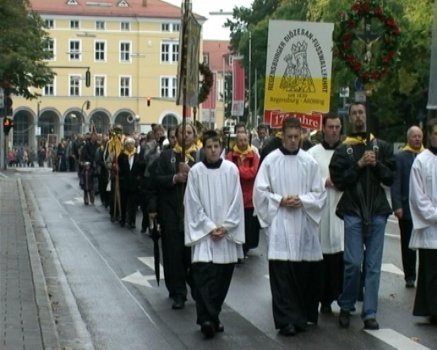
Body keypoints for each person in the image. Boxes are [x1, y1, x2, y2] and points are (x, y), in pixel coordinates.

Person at [253, 117, 326, 336]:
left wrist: (302, 200)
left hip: (302, 223)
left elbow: (319, 194)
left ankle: (300, 317)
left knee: (302, 274)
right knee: (282, 277)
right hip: (281, 224)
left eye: (297, 137)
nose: (294, 141)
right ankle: (286, 320)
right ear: (282, 136)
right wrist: (279, 200)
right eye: (290, 137)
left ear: (302, 135)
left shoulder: (309, 162)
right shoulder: (271, 161)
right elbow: (260, 192)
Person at [329, 102, 395, 330]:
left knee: (373, 266)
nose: (358, 117)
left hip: (377, 211)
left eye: (361, 113)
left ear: (366, 116)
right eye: (354, 113)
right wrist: (358, 165)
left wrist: (375, 164)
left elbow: (390, 177)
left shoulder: (381, 146)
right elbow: (339, 181)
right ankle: (346, 305)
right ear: (349, 117)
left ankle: (370, 312)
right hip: (353, 211)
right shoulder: (342, 150)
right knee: (352, 262)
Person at [184, 129, 245, 339]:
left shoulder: (231, 170)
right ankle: (207, 320)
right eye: (209, 147)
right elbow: (192, 203)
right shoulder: (196, 172)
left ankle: (213, 315)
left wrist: (225, 226)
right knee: (202, 279)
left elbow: (237, 202)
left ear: (221, 148)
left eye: (216, 147)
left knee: (221, 280)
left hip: (225, 235)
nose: (212, 150)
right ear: (204, 148)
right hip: (204, 235)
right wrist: (210, 227)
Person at [151, 123, 200, 310]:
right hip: (171, 212)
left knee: (192, 255)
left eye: (189, 132)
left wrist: (192, 174)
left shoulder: (200, 157)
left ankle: (196, 288)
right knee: (174, 254)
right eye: (182, 132)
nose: (186, 136)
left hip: (193, 215)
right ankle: (178, 293)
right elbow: (156, 180)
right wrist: (175, 178)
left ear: (194, 135)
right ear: (176, 136)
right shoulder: (166, 156)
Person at [308, 113, 344, 314]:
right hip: (320, 210)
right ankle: (323, 299)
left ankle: (338, 295)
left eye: (337, 126)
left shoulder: (347, 151)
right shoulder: (312, 153)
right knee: (322, 256)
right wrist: (324, 182)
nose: (334, 130)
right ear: (323, 128)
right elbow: (308, 180)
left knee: (339, 255)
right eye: (330, 126)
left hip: (341, 208)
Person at [408, 118, 437, 325]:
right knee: (431, 271)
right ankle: (432, 309)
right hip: (431, 228)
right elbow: (417, 196)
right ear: (430, 135)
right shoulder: (421, 161)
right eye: (436, 133)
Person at [391, 126, 424, 288]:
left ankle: (425, 275)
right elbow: (395, 183)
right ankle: (410, 276)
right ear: (408, 139)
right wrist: (397, 206)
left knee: (426, 243)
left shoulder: (428, 156)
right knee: (407, 244)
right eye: (414, 136)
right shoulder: (400, 157)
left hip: (425, 209)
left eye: (419, 136)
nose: (417, 139)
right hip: (407, 208)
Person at [226, 131, 260, 258]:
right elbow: (229, 172)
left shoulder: (254, 156)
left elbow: (253, 173)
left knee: (247, 226)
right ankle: (235, 248)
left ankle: (244, 250)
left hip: (249, 198)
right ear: (236, 141)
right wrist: (244, 172)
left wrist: (238, 170)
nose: (243, 142)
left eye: (245, 140)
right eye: (240, 140)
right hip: (234, 197)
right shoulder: (230, 155)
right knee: (235, 224)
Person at [118, 137, 145, 228]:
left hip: (134, 184)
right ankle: (123, 219)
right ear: (125, 146)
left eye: (132, 144)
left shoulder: (138, 156)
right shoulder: (121, 156)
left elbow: (142, 167)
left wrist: (139, 177)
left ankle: (132, 221)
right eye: (128, 144)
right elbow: (119, 168)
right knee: (124, 202)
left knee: (133, 204)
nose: (130, 146)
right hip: (124, 183)